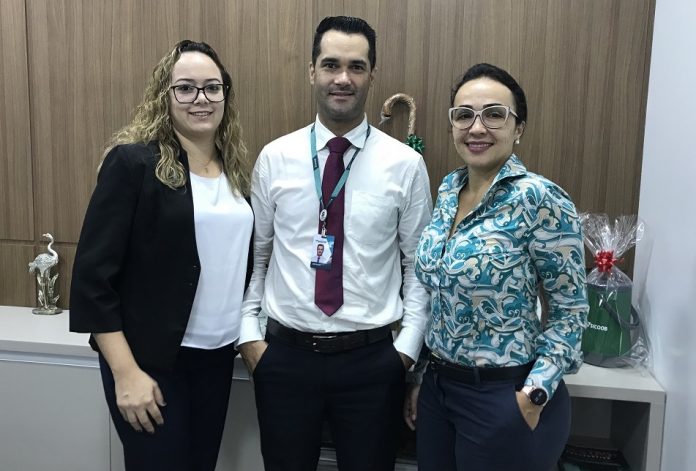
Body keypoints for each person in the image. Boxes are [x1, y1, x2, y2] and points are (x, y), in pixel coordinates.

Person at [237, 16, 432, 471]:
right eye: (331, 65)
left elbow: (418, 268)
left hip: (373, 364)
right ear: (312, 71)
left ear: (371, 75)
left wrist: (405, 351)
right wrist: (250, 337)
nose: (343, 78)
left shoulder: (404, 165)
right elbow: (257, 258)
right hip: (284, 360)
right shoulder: (275, 157)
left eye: (356, 66)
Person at [69, 40, 253, 471]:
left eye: (212, 87)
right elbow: (93, 280)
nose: (201, 99)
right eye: (185, 88)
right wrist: (125, 373)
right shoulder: (133, 164)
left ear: (225, 94)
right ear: (164, 96)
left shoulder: (236, 171)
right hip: (149, 361)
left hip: (216, 358)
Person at [406, 63, 589, 471]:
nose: (476, 128)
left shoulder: (540, 199)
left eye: (494, 114)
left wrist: (534, 395)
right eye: (464, 115)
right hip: (438, 391)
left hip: (505, 395)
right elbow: (441, 299)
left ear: (518, 127)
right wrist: (421, 377)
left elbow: (570, 310)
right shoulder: (449, 189)